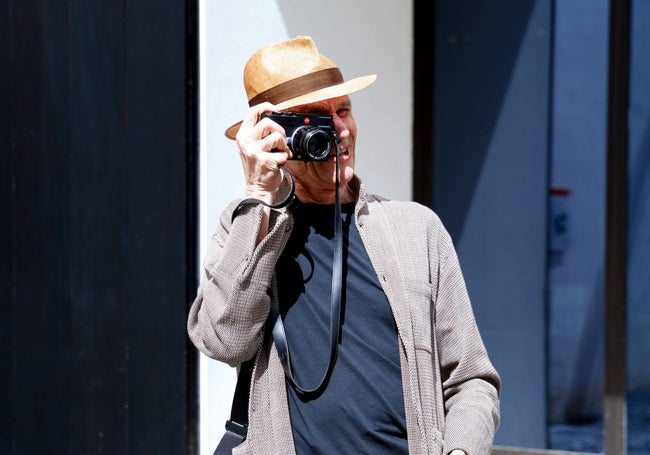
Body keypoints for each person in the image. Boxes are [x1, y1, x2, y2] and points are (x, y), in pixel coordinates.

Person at [188, 35, 500, 455]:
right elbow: (224, 340)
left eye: (344, 111)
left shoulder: (417, 230)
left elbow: (471, 380)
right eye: (316, 118)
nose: (339, 130)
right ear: (276, 135)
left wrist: (461, 450)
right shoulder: (248, 225)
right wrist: (259, 193)